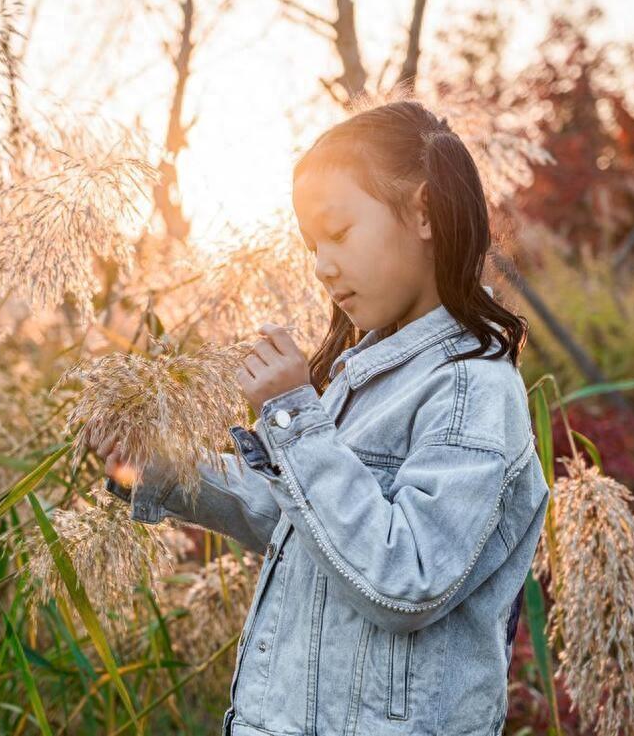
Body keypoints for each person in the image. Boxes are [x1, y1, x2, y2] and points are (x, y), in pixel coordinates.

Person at [88, 100, 550, 736]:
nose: (322, 265)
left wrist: (291, 416)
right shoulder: (363, 375)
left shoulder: (471, 391)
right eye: (311, 245)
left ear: (422, 212)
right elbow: (301, 519)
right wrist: (154, 469)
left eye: (338, 232)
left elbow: (407, 577)